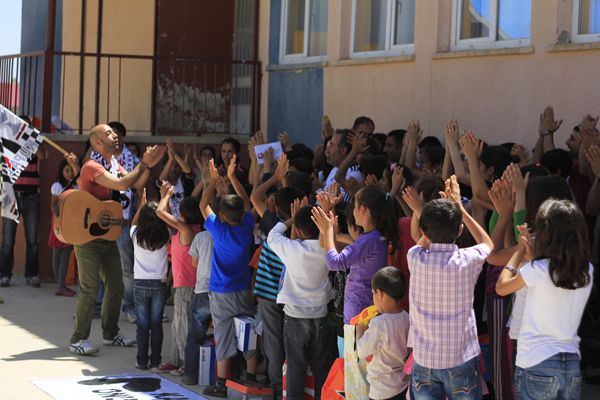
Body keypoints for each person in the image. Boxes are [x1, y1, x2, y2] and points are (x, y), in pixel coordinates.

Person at [69, 123, 162, 355]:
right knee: (90, 288)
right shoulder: (92, 166)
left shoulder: (113, 163)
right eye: (109, 133)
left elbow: (133, 185)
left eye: (114, 131)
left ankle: (110, 334)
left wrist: (147, 166)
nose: (115, 135)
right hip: (87, 236)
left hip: (106, 234)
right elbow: (122, 184)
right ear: (98, 143)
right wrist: (143, 164)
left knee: (116, 285)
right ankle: (77, 339)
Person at [406, 176, 493, 399]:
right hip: (460, 358)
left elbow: (425, 239)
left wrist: (431, 218)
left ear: (424, 232)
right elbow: (488, 245)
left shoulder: (415, 256)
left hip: (424, 360)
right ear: (460, 230)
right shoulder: (468, 259)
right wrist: (460, 208)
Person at [496, 199, 593, 399]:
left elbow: (502, 287)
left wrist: (520, 250)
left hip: (535, 361)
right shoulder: (586, 271)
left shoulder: (537, 270)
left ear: (545, 234)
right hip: (570, 361)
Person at [312, 186, 397, 350]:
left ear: (363, 209)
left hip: (359, 315)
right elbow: (333, 252)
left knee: (353, 370)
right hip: (362, 311)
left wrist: (328, 230)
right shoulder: (372, 238)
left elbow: (334, 263)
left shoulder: (369, 240)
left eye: (355, 206)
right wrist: (328, 217)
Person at [200, 155, 257, 398]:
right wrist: (232, 178)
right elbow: (245, 202)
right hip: (243, 289)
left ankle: (222, 383)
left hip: (221, 292)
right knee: (249, 330)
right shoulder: (246, 228)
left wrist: (212, 181)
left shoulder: (219, 230)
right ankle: (252, 377)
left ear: (221, 216)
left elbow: (203, 205)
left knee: (223, 332)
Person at [268, 203, 335, 400]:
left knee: (295, 366)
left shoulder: (291, 248)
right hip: (320, 314)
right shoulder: (327, 249)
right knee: (321, 366)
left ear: (296, 230)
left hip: (294, 316)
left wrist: (291, 218)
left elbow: (272, 235)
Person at [249, 153, 304, 394]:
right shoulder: (303, 225)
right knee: (291, 342)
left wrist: (276, 177)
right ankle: (289, 386)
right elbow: (289, 202)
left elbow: (254, 196)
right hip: (291, 294)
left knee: (272, 341)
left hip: (269, 295)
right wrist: (285, 184)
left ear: (276, 207)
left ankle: (274, 386)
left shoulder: (271, 223)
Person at [90, 121, 145, 323]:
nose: (115, 138)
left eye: (118, 135)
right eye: (111, 135)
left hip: (122, 220)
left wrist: (136, 213)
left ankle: (128, 306)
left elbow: (139, 187)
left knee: (126, 265)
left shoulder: (132, 159)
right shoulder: (96, 157)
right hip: (101, 219)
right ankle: (97, 304)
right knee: (99, 263)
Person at [154, 186, 202, 375]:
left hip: (186, 286)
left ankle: (185, 362)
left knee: (183, 325)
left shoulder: (186, 229)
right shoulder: (190, 228)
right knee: (177, 325)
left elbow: (160, 212)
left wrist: (165, 196)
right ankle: (175, 359)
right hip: (182, 285)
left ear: (184, 215)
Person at [0, 115, 47, 288]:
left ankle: (32, 275)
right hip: (11, 195)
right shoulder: (6, 142)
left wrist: (30, 139)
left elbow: (42, 156)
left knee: (33, 240)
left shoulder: (34, 141)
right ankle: (4, 275)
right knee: (7, 240)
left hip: (31, 195)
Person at [356, 267, 410, 400]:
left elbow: (362, 351)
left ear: (379, 293)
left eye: (373, 294)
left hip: (382, 390)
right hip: (402, 384)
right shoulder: (406, 317)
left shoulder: (379, 323)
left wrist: (360, 331)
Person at [130, 194, 170, 370]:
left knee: (142, 325)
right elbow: (167, 219)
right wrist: (164, 199)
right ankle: (155, 361)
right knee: (156, 324)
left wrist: (141, 204)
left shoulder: (135, 234)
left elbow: (133, 222)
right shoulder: (165, 235)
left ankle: (141, 360)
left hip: (140, 283)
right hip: (159, 284)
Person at [182, 214, 214, 385]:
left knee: (195, 335)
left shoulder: (201, 237)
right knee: (225, 335)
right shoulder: (230, 233)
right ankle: (225, 378)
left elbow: (194, 262)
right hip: (223, 291)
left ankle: (190, 375)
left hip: (202, 288)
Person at [49, 155, 80, 297]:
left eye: (71, 170)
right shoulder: (57, 186)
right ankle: (60, 285)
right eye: (66, 170)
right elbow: (53, 205)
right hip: (59, 222)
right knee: (57, 253)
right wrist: (59, 219)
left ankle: (60, 285)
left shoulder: (77, 186)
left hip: (71, 224)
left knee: (66, 253)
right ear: (61, 171)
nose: (69, 173)